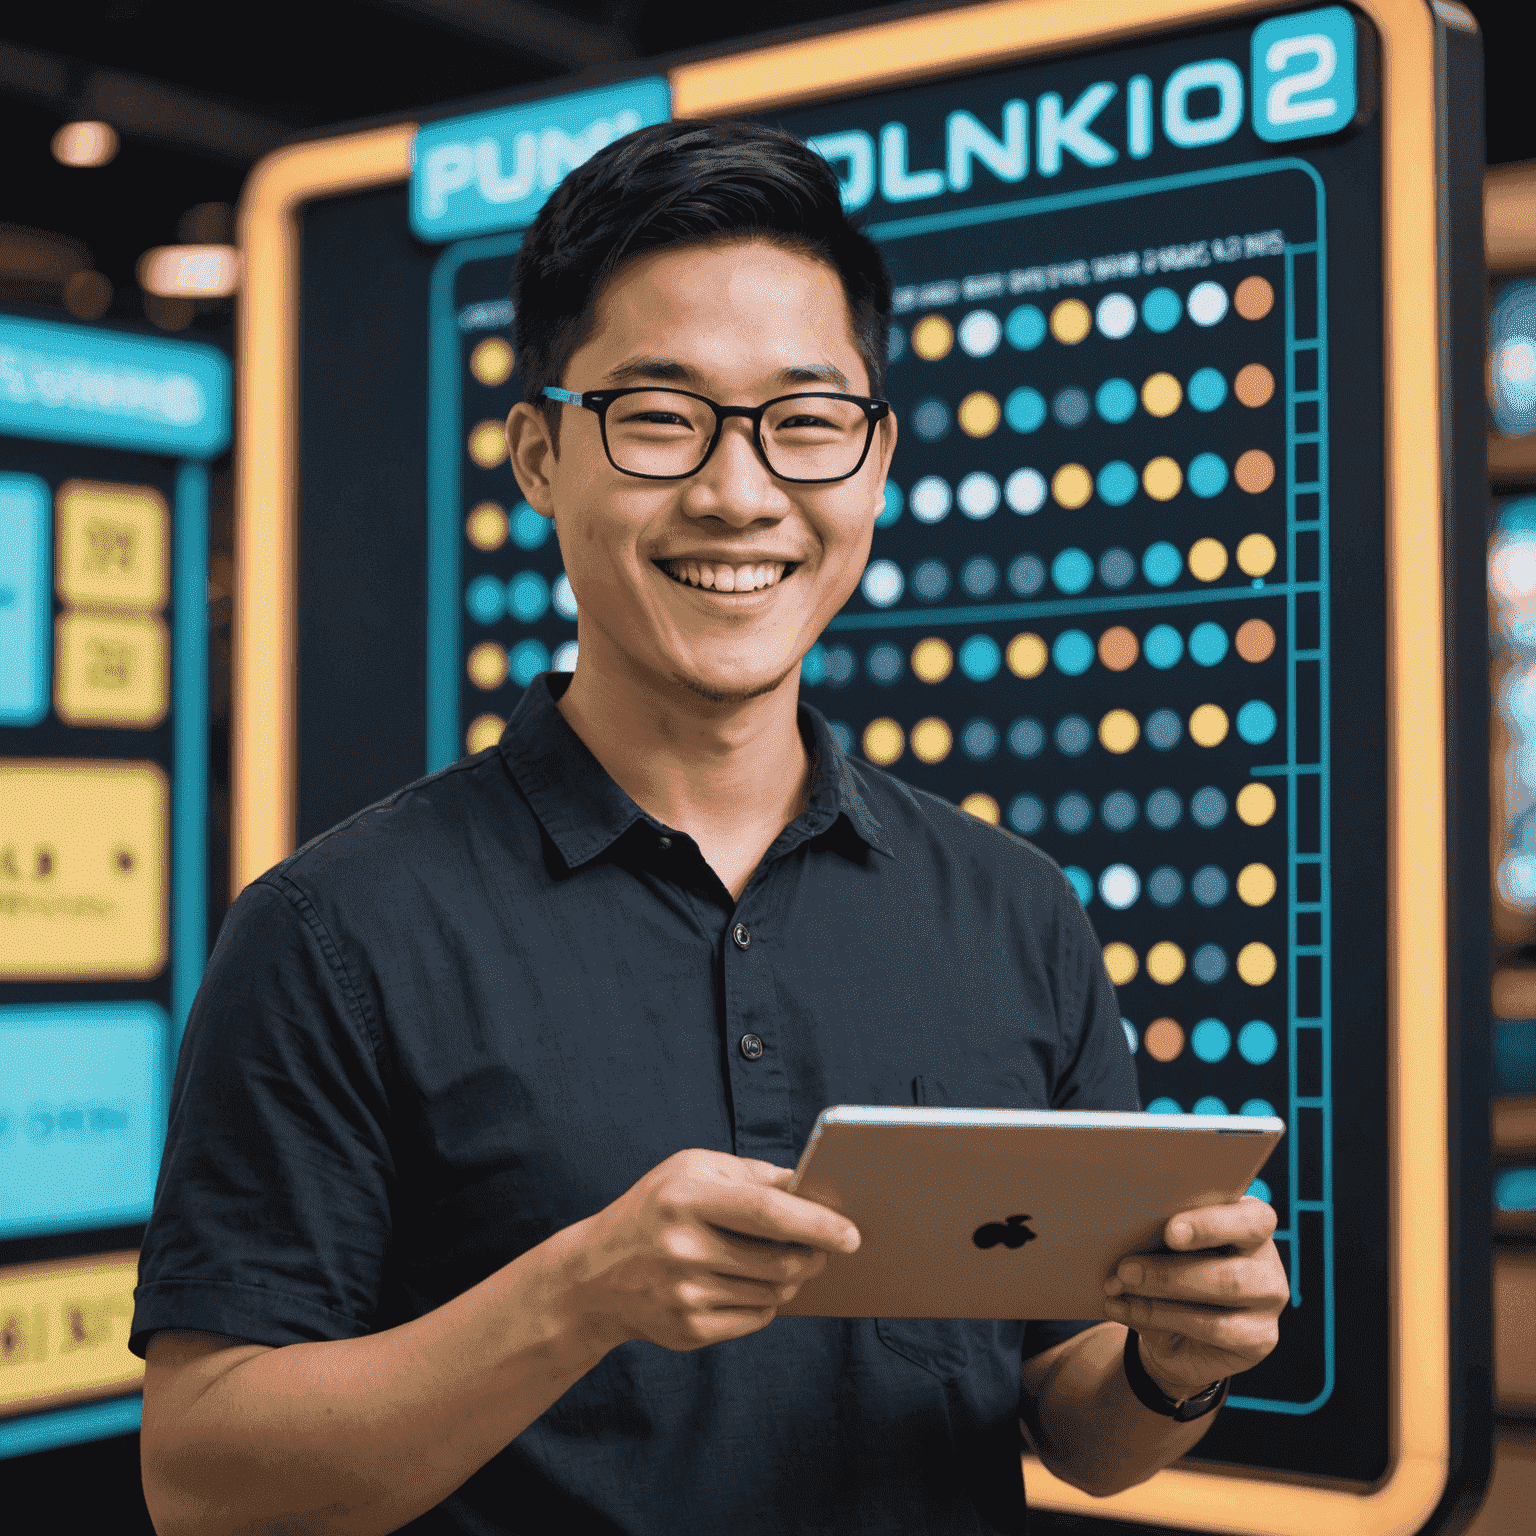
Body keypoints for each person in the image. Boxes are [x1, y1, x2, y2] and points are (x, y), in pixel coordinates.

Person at [134, 120, 1288, 1536]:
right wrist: (574, 1298)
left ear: (873, 464)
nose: (740, 492)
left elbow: (1077, 1420)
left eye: (805, 421)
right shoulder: (336, 931)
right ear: (541, 454)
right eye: (661, 416)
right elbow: (201, 1479)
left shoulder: (1014, 909)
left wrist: (1172, 1367)